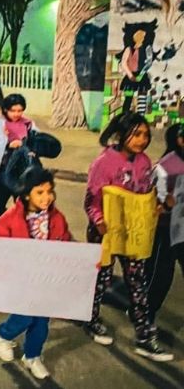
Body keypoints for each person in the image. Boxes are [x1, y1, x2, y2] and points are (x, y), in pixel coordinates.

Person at [83, 112, 172, 361]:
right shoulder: (103, 163)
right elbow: (91, 200)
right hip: (107, 233)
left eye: (145, 135)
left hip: (132, 235)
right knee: (101, 279)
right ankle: (90, 319)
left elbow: (145, 194)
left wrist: (158, 206)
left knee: (138, 283)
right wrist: (99, 223)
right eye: (137, 134)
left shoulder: (145, 162)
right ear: (121, 134)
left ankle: (144, 337)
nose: (142, 140)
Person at [0, 167, 72, 380]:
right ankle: (3, 334)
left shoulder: (57, 218)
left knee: (41, 322)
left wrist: (86, 261)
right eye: (40, 192)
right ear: (26, 194)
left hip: (45, 280)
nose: (47, 197)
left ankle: (32, 355)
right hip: (20, 281)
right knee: (24, 316)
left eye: (50, 191)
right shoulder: (9, 219)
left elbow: (66, 242)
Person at [147, 123, 184, 323]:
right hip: (168, 229)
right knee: (162, 274)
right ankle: (146, 314)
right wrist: (165, 202)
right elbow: (155, 196)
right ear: (180, 141)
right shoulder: (165, 166)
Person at [0, 93, 35, 233]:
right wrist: (8, 145)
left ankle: (20, 231)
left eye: (20, 110)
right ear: (5, 109)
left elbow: (32, 143)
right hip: (1, 168)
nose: (16, 114)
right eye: (13, 110)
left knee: (21, 202)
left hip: (21, 170)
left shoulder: (27, 123)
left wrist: (30, 150)